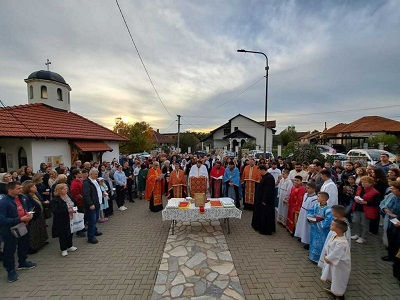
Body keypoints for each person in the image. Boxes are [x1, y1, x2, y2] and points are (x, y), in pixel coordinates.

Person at [0, 181, 36, 283]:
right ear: (10, 190)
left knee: (24, 244)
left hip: (24, 226)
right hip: (10, 230)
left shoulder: (22, 197)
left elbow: (28, 207)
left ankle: (23, 262)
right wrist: (20, 219)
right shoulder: (4, 202)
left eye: (21, 188)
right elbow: (2, 219)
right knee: (9, 250)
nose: (21, 190)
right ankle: (10, 270)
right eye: (18, 188)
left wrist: (30, 213)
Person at [320, 219, 351, 300]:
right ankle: (333, 291)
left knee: (338, 280)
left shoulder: (342, 243)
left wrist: (327, 258)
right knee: (334, 277)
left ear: (338, 229)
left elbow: (336, 254)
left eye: (332, 225)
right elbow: (329, 245)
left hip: (340, 265)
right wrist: (327, 253)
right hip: (334, 263)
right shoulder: (335, 235)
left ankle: (339, 296)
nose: (330, 226)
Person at [351, 176, 380, 244]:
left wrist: (366, 202)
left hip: (366, 209)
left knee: (364, 224)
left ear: (371, 183)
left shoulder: (375, 192)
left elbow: (376, 203)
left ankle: (363, 237)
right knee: (355, 221)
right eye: (362, 182)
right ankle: (357, 234)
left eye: (365, 182)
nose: (363, 183)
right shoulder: (359, 188)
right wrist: (355, 198)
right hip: (357, 207)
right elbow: (354, 195)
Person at [50, 183, 78, 256]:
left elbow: (73, 203)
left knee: (70, 231)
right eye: (63, 189)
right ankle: (63, 249)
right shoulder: (55, 200)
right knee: (63, 234)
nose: (65, 190)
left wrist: (74, 208)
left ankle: (69, 245)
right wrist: (67, 211)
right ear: (59, 190)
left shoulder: (69, 196)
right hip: (62, 219)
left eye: (66, 188)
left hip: (71, 217)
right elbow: (55, 211)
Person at [22, 181, 49, 254]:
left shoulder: (36, 194)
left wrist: (44, 203)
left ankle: (41, 242)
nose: (35, 188)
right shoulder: (26, 197)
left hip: (40, 213)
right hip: (33, 216)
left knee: (41, 229)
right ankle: (32, 247)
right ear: (28, 188)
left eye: (35, 186)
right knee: (33, 231)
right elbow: (28, 206)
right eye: (33, 187)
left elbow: (40, 201)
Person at [307, 191, 333, 263]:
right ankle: (312, 255)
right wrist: (311, 218)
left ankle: (319, 258)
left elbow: (328, 220)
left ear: (324, 198)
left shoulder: (328, 209)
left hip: (322, 230)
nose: (317, 198)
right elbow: (310, 212)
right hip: (314, 228)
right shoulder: (316, 205)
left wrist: (319, 223)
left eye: (318, 196)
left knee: (320, 243)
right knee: (313, 240)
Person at [251, 164, 276, 235]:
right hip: (261, 199)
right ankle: (259, 226)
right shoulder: (265, 177)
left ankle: (265, 230)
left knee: (265, 215)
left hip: (266, 201)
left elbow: (268, 191)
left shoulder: (269, 178)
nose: (259, 172)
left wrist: (265, 200)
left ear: (262, 170)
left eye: (259, 171)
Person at [379, 181, 400, 262]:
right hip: (390, 222)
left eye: (393, 189)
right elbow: (382, 203)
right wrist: (385, 209)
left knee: (397, 241)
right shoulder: (391, 195)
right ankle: (391, 255)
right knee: (391, 239)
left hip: (398, 223)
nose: (391, 190)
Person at [294, 182, 317, 249]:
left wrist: (311, 217)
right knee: (301, 225)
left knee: (307, 228)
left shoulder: (315, 198)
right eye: (306, 188)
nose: (306, 189)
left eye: (308, 188)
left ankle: (308, 242)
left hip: (308, 213)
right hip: (303, 211)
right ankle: (301, 236)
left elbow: (313, 208)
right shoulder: (305, 194)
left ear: (314, 189)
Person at [82, 169, 102, 244]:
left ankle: (94, 230)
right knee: (91, 221)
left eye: (97, 174)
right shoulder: (87, 183)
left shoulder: (95, 181)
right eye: (95, 174)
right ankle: (90, 237)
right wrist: (90, 204)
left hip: (97, 203)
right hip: (92, 205)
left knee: (96, 218)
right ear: (90, 174)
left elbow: (97, 190)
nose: (97, 176)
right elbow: (86, 195)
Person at [70, 169, 86, 237]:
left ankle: (82, 227)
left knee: (83, 216)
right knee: (79, 216)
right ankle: (79, 231)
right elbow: (76, 193)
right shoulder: (74, 183)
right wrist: (83, 198)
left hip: (83, 202)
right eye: (79, 173)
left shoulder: (81, 181)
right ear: (75, 174)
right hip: (79, 202)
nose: (81, 174)